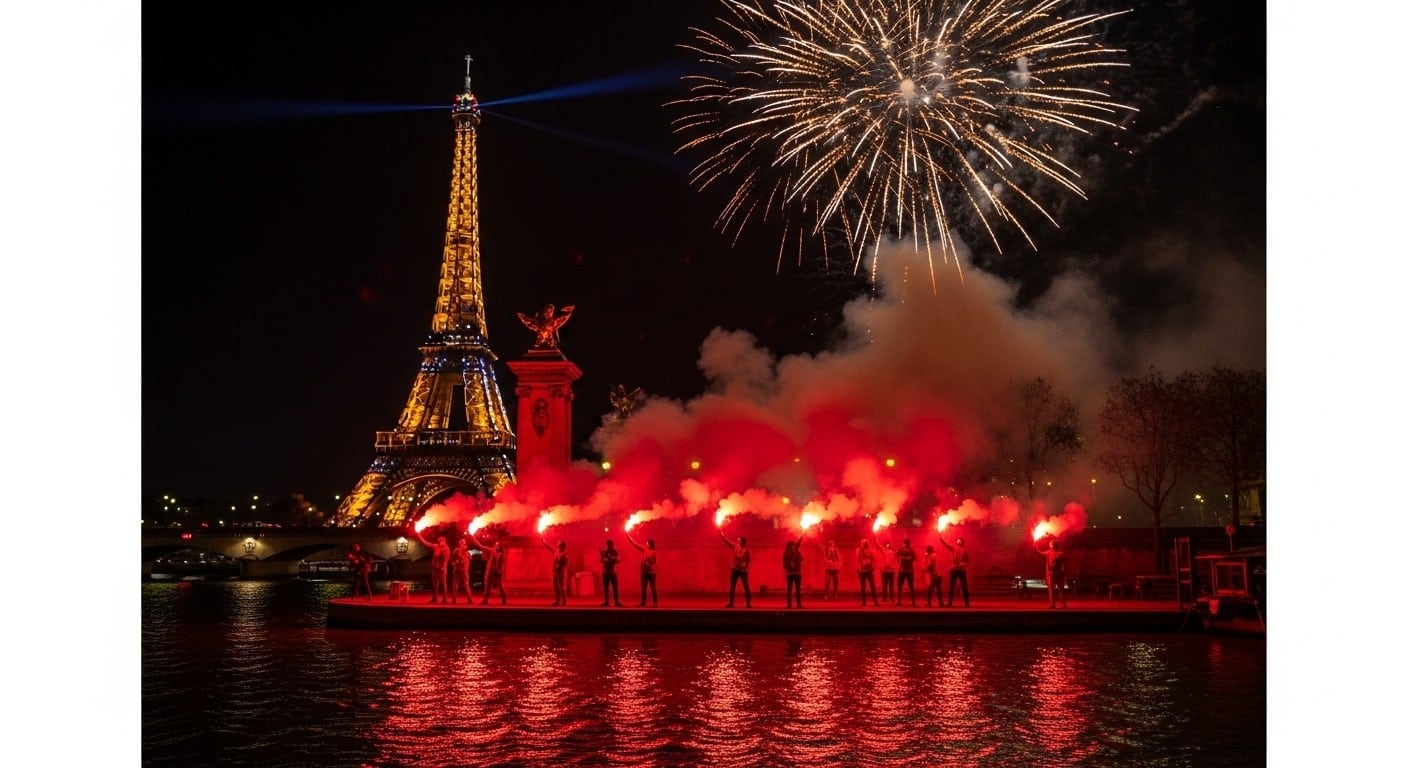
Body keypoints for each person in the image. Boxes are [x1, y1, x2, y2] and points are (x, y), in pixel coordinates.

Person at [471, 532, 507, 605]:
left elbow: (501, 565)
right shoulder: (492, 550)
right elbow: (481, 546)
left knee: (499, 586)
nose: (495, 545)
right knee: (488, 586)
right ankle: (485, 600)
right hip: (490, 571)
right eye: (496, 544)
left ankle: (504, 600)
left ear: (500, 547)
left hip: (497, 573)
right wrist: (473, 537)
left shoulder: (501, 555)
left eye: (497, 545)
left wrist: (498, 571)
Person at [625, 529, 659, 607]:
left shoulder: (654, 552)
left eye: (647, 543)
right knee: (644, 588)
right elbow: (635, 544)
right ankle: (643, 603)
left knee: (653, 588)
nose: (646, 543)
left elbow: (656, 562)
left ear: (650, 544)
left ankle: (655, 603)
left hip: (651, 573)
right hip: (644, 572)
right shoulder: (644, 549)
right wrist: (628, 537)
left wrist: (650, 564)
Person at [719, 530, 752, 608]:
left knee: (746, 586)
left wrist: (746, 568)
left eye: (739, 540)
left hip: (743, 571)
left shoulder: (747, 550)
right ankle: (731, 603)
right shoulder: (736, 547)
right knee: (732, 586)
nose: (738, 540)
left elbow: (748, 561)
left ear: (742, 541)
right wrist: (722, 536)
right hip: (735, 570)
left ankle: (748, 603)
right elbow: (728, 542)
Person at [1036, 537, 1069, 608]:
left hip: (1059, 574)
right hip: (1051, 574)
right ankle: (1052, 604)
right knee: (1051, 589)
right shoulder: (1048, 553)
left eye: (1051, 544)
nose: (1050, 546)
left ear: (1055, 545)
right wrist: (1036, 545)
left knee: (1061, 589)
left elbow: (1064, 563)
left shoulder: (1060, 554)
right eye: (1050, 545)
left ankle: (1064, 604)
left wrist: (1063, 571)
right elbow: (1039, 553)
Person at [939, 534, 970, 607]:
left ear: (962, 542)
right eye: (957, 540)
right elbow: (946, 544)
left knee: (964, 586)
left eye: (960, 540)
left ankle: (967, 603)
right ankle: (950, 603)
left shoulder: (965, 550)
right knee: (951, 586)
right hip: (954, 569)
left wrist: (962, 564)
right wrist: (941, 538)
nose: (958, 541)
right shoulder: (954, 548)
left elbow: (967, 561)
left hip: (962, 570)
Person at [542, 535, 569, 606]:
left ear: (561, 546)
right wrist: (544, 542)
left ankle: (564, 601)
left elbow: (565, 563)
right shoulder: (557, 551)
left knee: (562, 587)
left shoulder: (564, 554)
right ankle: (558, 600)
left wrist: (559, 566)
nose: (557, 544)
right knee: (556, 586)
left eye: (558, 543)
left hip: (561, 572)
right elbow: (549, 548)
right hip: (555, 572)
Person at [599, 539, 624, 607]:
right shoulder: (604, 552)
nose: (609, 545)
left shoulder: (616, 552)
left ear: (613, 544)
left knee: (615, 588)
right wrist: (601, 555)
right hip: (606, 572)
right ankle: (606, 602)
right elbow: (601, 561)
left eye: (610, 544)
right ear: (607, 544)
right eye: (608, 544)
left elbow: (618, 560)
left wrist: (609, 557)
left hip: (613, 572)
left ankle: (616, 602)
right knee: (606, 588)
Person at [895, 538, 918, 607]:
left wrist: (902, 559)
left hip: (905, 570)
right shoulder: (910, 550)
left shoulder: (905, 549)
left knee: (901, 587)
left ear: (905, 543)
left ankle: (900, 602)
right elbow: (915, 558)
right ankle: (913, 603)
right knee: (910, 587)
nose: (902, 544)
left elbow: (896, 556)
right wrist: (903, 559)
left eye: (903, 543)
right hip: (908, 570)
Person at [782, 539, 805, 609]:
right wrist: (789, 564)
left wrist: (801, 563)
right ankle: (789, 605)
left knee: (798, 590)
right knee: (789, 590)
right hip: (790, 574)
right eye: (792, 545)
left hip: (797, 573)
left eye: (794, 545)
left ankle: (799, 604)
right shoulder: (786, 553)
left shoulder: (797, 552)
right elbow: (784, 565)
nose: (793, 546)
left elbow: (802, 559)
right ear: (789, 546)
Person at [856, 539, 879, 606]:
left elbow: (874, 559)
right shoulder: (859, 550)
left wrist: (873, 567)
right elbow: (858, 560)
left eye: (863, 543)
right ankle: (864, 602)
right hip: (862, 571)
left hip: (869, 570)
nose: (862, 544)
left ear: (866, 543)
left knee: (872, 586)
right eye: (861, 543)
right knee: (862, 587)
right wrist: (857, 570)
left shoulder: (870, 550)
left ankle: (875, 602)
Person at [450, 538, 473, 604]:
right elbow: (452, 559)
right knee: (455, 584)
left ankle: (469, 600)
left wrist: (466, 564)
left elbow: (469, 560)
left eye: (464, 543)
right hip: (457, 569)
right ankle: (454, 600)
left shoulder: (467, 552)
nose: (463, 544)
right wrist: (454, 563)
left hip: (464, 570)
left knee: (466, 584)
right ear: (459, 544)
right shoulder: (456, 550)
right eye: (462, 543)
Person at [429, 536, 451, 604]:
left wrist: (442, 550)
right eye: (439, 541)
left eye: (441, 541)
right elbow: (427, 543)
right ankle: (435, 598)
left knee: (443, 584)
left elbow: (447, 558)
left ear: (444, 541)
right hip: (435, 568)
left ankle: (445, 599)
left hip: (442, 568)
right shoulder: (436, 546)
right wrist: (419, 536)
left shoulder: (446, 548)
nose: (440, 542)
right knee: (435, 584)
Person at [878, 539, 897, 604]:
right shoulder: (884, 550)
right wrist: (875, 539)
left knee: (890, 585)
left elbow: (895, 561)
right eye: (887, 544)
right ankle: (886, 599)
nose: (887, 546)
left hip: (889, 571)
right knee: (885, 585)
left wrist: (893, 567)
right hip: (885, 571)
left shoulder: (893, 552)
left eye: (888, 544)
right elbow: (879, 545)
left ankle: (890, 599)